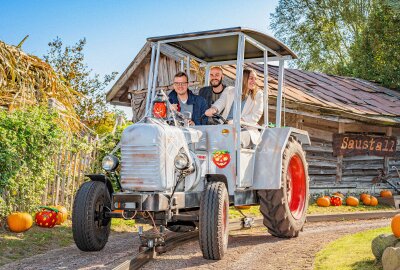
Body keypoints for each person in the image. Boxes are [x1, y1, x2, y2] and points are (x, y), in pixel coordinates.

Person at [205, 68, 263, 148]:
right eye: (251, 78)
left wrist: (237, 121)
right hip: (226, 126)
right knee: (207, 137)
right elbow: (221, 101)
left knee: (233, 138)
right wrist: (213, 109)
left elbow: (256, 115)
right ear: (243, 79)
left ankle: (233, 159)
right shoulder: (229, 90)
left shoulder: (258, 94)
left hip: (246, 129)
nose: (254, 81)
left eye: (255, 79)